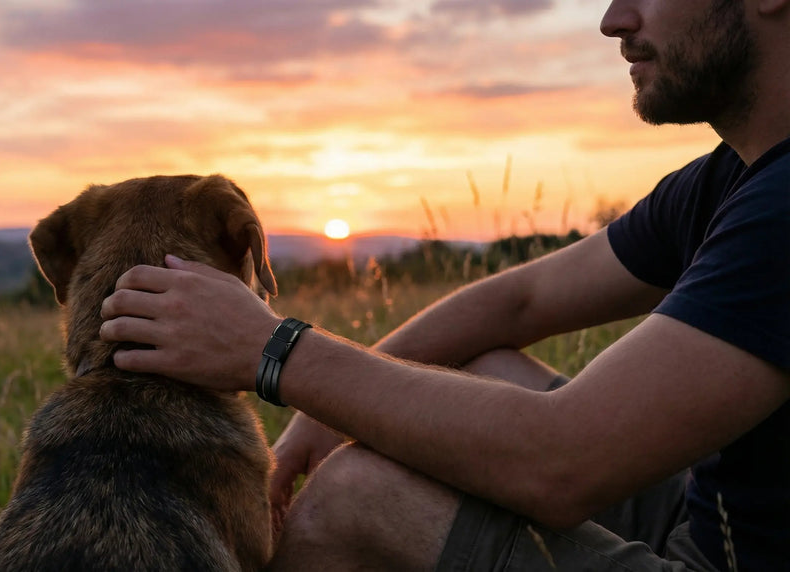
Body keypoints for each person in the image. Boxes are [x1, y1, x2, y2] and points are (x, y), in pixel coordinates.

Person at [98, 0, 790, 569]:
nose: (613, 19)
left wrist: (274, 351)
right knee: (476, 366)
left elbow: (565, 462)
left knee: (357, 496)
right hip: (711, 526)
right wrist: (322, 419)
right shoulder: (733, 178)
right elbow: (519, 302)